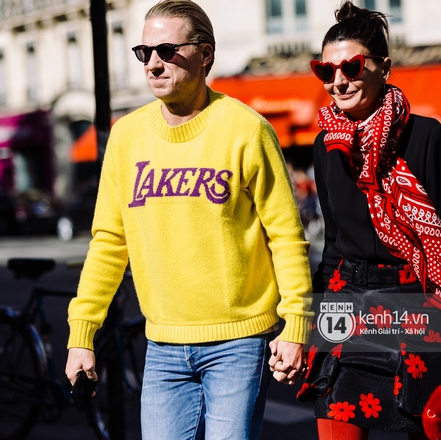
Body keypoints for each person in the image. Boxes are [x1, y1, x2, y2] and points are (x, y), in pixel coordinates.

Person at [64, 1, 312, 439]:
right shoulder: (126, 136)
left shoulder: (246, 129)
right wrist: (82, 334)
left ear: (205, 54)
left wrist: (297, 324)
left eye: (166, 49)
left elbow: (287, 237)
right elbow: (108, 242)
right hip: (161, 346)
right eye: (144, 52)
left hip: (238, 342)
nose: (154, 63)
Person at [296, 2, 441, 439]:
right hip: (348, 302)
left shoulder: (426, 136)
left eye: (352, 66)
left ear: (384, 68)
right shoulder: (326, 145)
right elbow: (334, 247)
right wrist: (306, 331)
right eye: (326, 71)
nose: (338, 81)